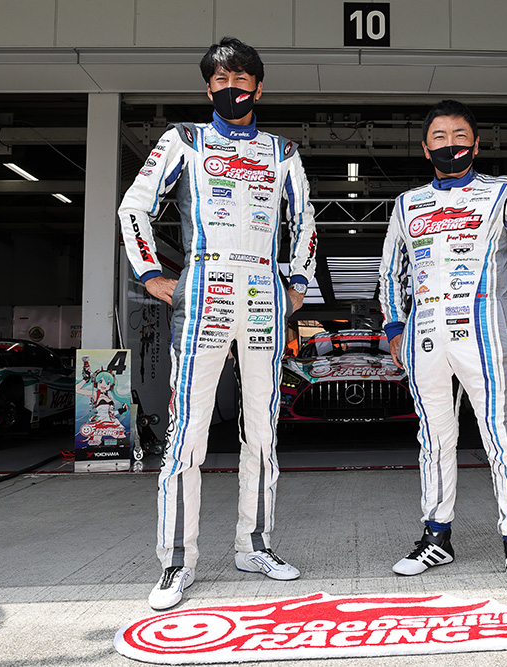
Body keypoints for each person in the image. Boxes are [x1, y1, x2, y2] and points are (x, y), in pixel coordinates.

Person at [118, 36, 317, 610]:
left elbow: (304, 219)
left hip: (263, 295)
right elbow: (135, 206)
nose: (232, 89)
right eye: (221, 81)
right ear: (209, 89)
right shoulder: (183, 139)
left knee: (263, 431)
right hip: (203, 289)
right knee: (187, 432)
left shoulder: (282, 151)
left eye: (241, 80)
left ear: (259, 87)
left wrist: (297, 284)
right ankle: (177, 561)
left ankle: (255, 545)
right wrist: (151, 275)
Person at [378, 99, 507, 597]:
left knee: (502, 436)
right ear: (425, 148)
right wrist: (394, 328)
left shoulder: (504, 193)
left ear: (476, 145)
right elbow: (390, 271)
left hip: (485, 337)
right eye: (439, 137)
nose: (450, 144)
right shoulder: (407, 203)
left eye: (460, 136)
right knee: (434, 440)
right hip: (424, 339)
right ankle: (436, 538)